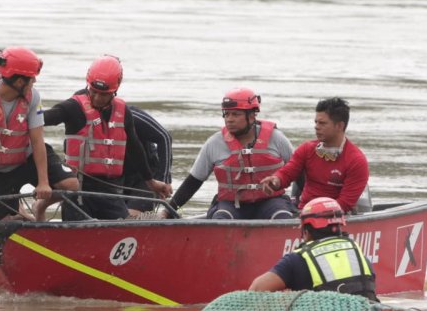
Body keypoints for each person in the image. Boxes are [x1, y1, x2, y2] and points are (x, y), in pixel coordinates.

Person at [41, 55, 171, 220]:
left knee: (123, 228)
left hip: (111, 191)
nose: (97, 98)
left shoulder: (123, 113)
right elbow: (44, 119)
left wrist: (151, 181)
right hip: (80, 191)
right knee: (82, 231)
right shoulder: (73, 107)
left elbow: (135, 148)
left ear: (115, 90)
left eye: (103, 94)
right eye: (93, 92)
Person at [0, 47, 78, 220]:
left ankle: (39, 207)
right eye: (32, 79)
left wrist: (43, 182)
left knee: (71, 185)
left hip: (27, 159)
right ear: (19, 82)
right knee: (7, 222)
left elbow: (37, 141)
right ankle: (24, 216)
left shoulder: (33, 97)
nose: (34, 82)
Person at [169, 88, 296, 220]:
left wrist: (303, 203)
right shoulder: (214, 143)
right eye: (227, 114)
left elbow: (298, 171)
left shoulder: (276, 138)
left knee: (282, 216)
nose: (229, 119)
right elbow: (193, 182)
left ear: (252, 116)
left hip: (271, 201)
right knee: (221, 218)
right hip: (231, 204)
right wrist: (168, 211)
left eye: (235, 114)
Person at [249, 197, 378, 301]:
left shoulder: (296, 260)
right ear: (340, 224)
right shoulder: (358, 254)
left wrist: (285, 298)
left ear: (306, 230)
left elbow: (255, 290)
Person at [259, 97, 370, 213]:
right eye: (316, 122)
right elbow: (288, 172)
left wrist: (317, 214)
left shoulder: (356, 161)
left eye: (322, 123)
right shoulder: (306, 149)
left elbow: (344, 204)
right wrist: (276, 180)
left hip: (335, 218)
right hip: (304, 213)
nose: (316, 127)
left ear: (340, 126)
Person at [123, 105, 173, 215]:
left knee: (130, 215)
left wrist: (164, 180)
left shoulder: (129, 115)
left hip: (147, 175)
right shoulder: (83, 120)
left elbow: (165, 137)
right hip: (115, 177)